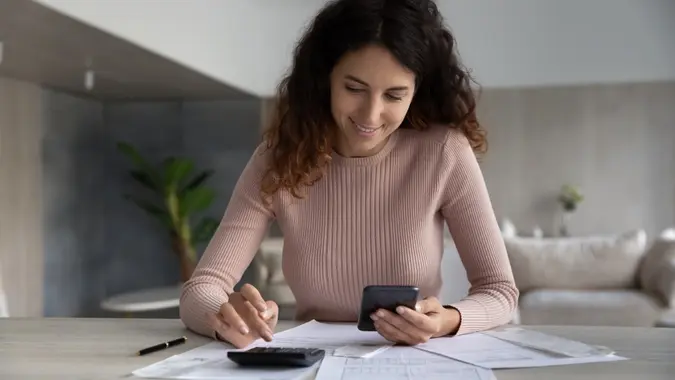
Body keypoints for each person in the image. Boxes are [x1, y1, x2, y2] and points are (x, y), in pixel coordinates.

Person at [180, 0, 519, 349]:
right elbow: (200, 289)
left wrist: (447, 320)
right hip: (313, 360)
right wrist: (226, 318)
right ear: (325, 79)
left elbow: (499, 291)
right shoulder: (278, 159)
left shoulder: (444, 153)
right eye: (354, 89)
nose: (371, 115)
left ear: (417, 91)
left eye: (394, 95)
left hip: (415, 360)